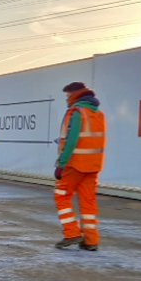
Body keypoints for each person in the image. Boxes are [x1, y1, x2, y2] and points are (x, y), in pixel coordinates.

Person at [53, 81, 106, 251]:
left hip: (75, 165)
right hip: (93, 165)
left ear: (75, 94)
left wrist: (61, 164)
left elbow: (72, 140)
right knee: (88, 202)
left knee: (61, 196)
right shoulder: (97, 114)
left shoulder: (77, 113)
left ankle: (71, 233)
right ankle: (91, 241)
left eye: (68, 96)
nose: (66, 99)